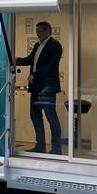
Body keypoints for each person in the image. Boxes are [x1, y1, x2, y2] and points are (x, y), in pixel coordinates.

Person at [15, 21, 63, 154]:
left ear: (48, 31)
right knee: (35, 115)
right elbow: (30, 60)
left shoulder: (55, 45)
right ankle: (40, 146)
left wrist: (34, 75)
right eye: (36, 32)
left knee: (51, 116)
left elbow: (50, 66)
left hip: (47, 86)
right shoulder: (37, 45)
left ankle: (56, 148)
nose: (37, 34)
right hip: (36, 86)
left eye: (39, 31)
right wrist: (17, 60)